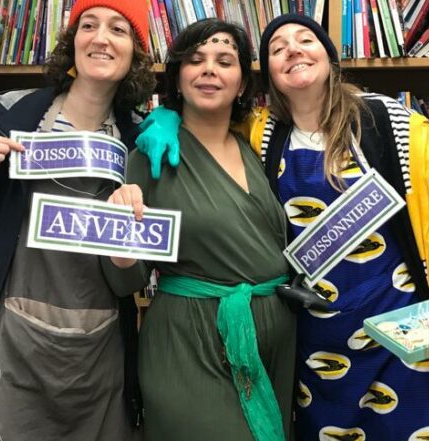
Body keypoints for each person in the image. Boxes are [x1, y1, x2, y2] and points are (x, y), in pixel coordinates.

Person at [137, 14, 429, 441]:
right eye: (277, 48)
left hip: (404, 337)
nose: (293, 49)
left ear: (330, 58)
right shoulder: (260, 132)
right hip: (315, 345)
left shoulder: (390, 123)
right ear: (268, 75)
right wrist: (167, 117)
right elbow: (206, 117)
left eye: (305, 39)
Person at [0, 1, 159, 439]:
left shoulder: (140, 139)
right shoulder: (15, 113)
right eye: (89, 25)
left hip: (99, 344)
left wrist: (128, 246)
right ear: (72, 41)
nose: (101, 38)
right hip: (12, 337)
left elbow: (131, 279)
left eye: (118, 29)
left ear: (135, 52)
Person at [109, 18, 296, 441]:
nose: (209, 69)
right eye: (195, 60)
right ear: (177, 77)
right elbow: (126, 280)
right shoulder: (152, 155)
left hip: (274, 346)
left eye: (224, 61)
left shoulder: (258, 144)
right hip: (190, 344)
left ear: (243, 84)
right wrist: (120, 248)